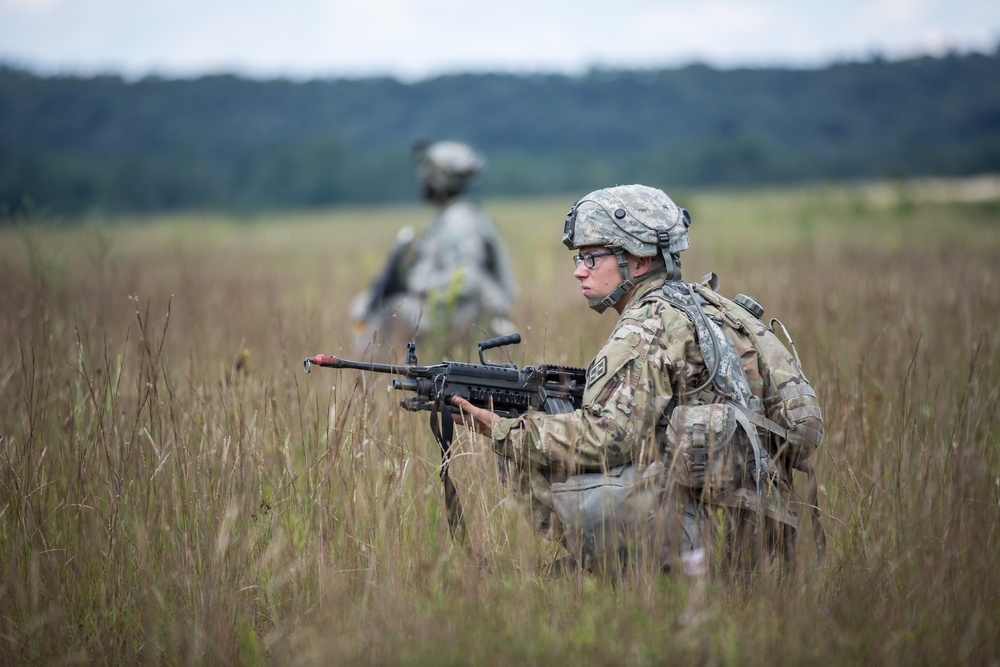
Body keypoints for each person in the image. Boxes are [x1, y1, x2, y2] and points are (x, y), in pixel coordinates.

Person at [453, 184, 809, 579]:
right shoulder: (710, 308)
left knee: (528, 454)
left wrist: (502, 429)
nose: (578, 270)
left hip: (706, 534)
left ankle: (620, 578)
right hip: (763, 528)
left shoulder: (646, 326)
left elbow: (609, 438)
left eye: (591, 258)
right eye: (578, 258)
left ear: (638, 261)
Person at [350, 139, 518, 356]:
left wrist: (411, 286)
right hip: (460, 310)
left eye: (427, 174)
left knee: (367, 309)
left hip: (468, 314)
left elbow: (467, 279)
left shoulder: (460, 220)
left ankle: (373, 379)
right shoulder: (454, 216)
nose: (422, 180)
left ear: (441, 179)